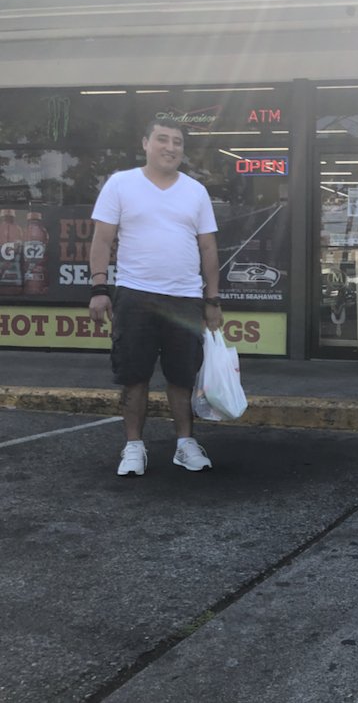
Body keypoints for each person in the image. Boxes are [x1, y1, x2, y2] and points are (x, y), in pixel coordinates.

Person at [88, 117, 223, 477]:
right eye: (162, 139)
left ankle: (185, 444)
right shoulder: (121, 184)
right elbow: (102, 240)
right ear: (145, 143)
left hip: (185, 298)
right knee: (134, 376)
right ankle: (134, 447)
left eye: (177, 141)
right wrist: (99, 288)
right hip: (135, 296)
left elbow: (208, 248)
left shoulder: (195, 191)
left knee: (182, 376)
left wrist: (212, 300)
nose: (170, 147)